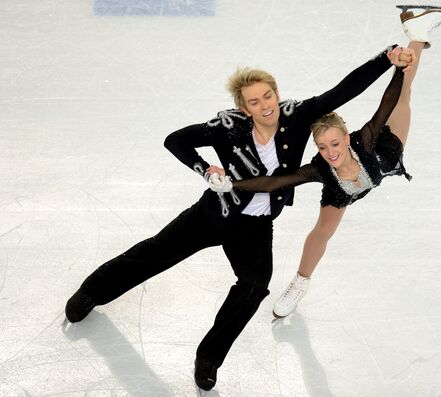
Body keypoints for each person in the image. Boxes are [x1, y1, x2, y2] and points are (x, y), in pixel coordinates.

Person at [64, 41, 413, 390]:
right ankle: (92, 292)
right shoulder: (226, 127)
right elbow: (176, 140)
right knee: (155, 252)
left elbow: (343, 90)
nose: (264, 106)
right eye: (254, 102)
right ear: (244, 109)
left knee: (254, 285)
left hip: (256, 227)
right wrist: (204, 169)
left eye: (267, 96)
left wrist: (386, 60)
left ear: (277, 94)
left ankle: (209, 357)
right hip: (213, 213)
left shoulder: (297, 117)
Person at [207, 5, 441, 318]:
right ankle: (300, 283)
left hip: (385, 158)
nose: (330, 152)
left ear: (348, 139)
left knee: (404, 92)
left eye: (334, 144)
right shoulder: (321, 170)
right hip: (343, 192)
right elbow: (275, 182)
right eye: (322, 147)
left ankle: (418, 32)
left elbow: (387, 100)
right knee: (322, 232)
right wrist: (231, 184)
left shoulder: (368, 140)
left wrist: (398, 65)